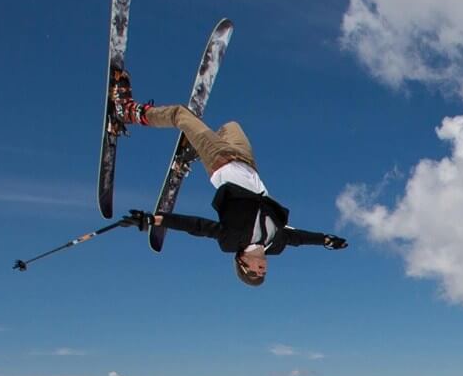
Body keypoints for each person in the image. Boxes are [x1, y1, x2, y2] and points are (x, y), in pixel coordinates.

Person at [111, 85, 347, 284]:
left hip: (220, 160)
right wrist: (326, 240)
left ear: (243, 264)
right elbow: (300, 238)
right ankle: (192, 148)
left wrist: (154, 219)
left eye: (256, 273)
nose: (263, 270)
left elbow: (199, 227)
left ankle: (128, 113)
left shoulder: (231, 240)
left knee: (180, 115)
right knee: (231, 126)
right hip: (247, 161)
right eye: (263, 273)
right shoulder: (276, 244)